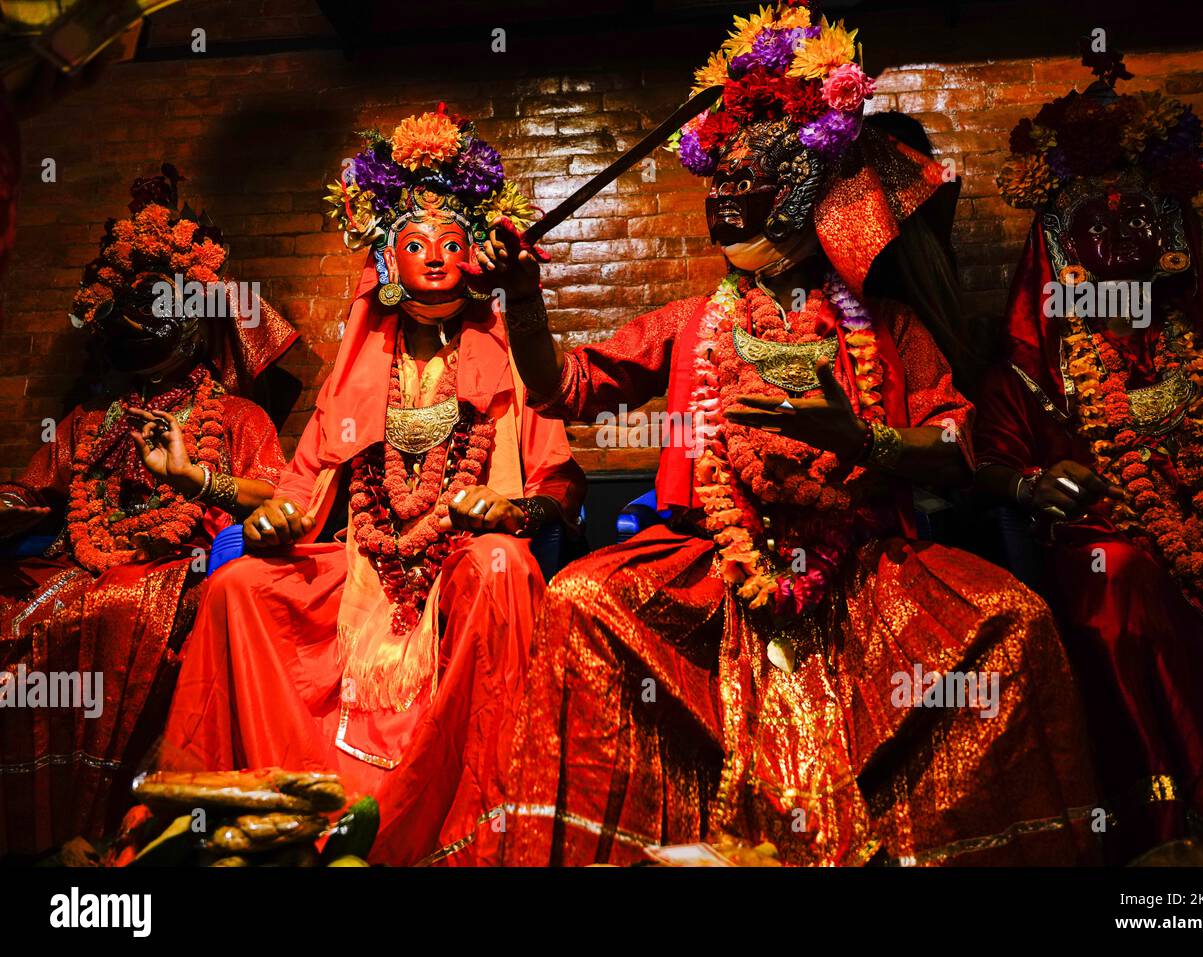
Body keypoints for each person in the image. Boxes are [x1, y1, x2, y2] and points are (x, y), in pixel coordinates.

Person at [468, 1, 1100, 866]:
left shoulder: (884, 324)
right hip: (715, 567)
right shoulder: (694, 319)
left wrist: (861, 437)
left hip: (862, 571)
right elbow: (561, 387)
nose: (732, 219)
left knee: (1015, 622)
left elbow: (957, 449)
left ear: (815, 205)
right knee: (578, 600)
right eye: (722, 203)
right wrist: (524, 300)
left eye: (753, 201)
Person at [158, 110, 585, 866]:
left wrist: (516, 510)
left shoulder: (511, 361)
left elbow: (565, 485)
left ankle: (485, 823)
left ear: (474, 256)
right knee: (235, 588)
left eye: (452, 244)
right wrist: (232, 500)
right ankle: (246, 821)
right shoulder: (357, 371)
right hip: (361, 572)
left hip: (457, 579)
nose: (434, 259)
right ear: (385, 259)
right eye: (415, 245)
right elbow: (298, 495)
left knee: (499, 565)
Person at [975, 51, 1203, 861]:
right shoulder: (1034, 354)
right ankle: (1172, 819)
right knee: (1123, 576)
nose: (1122, 237)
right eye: (1100, 222)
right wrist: (1033, 482)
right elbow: (987, 458)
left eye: (1139, 219)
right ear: (1062, 242)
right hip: (1106, 545)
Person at [0, 166, 294, 856]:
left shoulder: (239, 416)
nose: (141, 314)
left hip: (177, 570)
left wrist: (198, 481)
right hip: (82, 566)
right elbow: (35, 493)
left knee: (129, 612)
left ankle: (128, 830)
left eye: (158, 301)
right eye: (131, 300)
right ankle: (39, 835)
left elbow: (282, 496)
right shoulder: (87, 418)